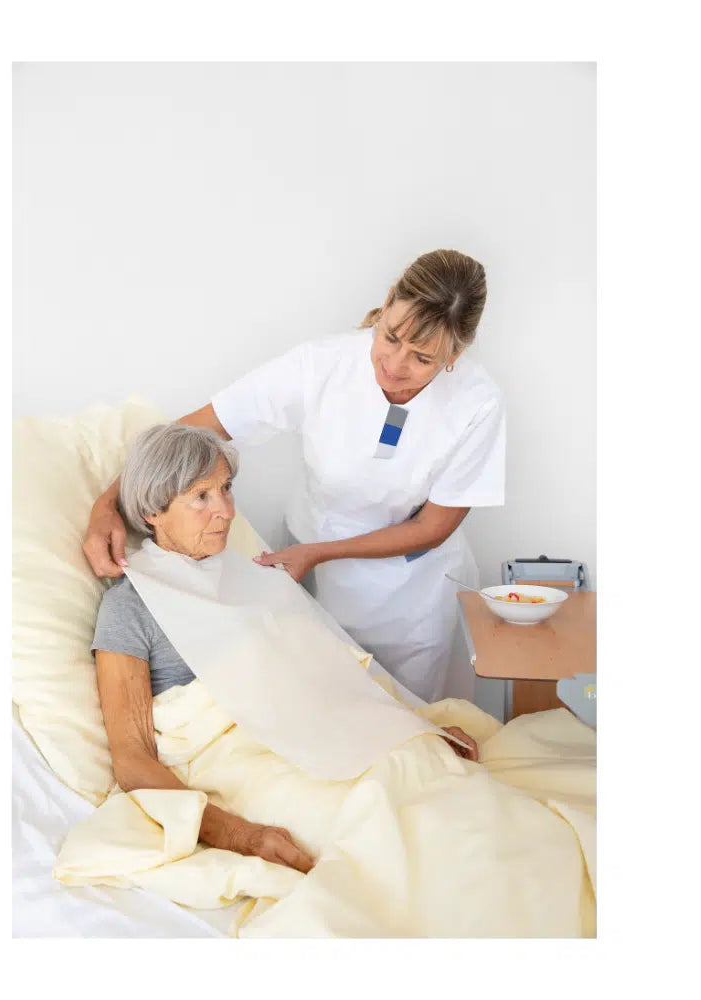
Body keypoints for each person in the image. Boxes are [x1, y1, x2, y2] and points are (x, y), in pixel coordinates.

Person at [84, 249, 505, 703]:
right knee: (317, 702)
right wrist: (108, 503)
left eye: (422, 358)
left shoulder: (476, 402)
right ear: (386, 304)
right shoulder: (322, 365)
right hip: (312, 576)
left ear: (455, 353)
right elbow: (200, 428)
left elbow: (433, 525)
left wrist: (318, 553)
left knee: (408, 715)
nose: (395, 364)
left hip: (410, 597)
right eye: (390, 336)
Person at [90, 423, 478, 876]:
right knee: (382, 827)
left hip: (324, 730)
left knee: (439, 791)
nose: (226, 511)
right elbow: (132, 758)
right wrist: (241, 835)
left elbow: (329, 672)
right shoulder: (130, 606)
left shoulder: (253, 577)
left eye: (226, 489)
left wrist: (415, 724)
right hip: (241, 761)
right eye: (201, 497)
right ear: (152, 511)